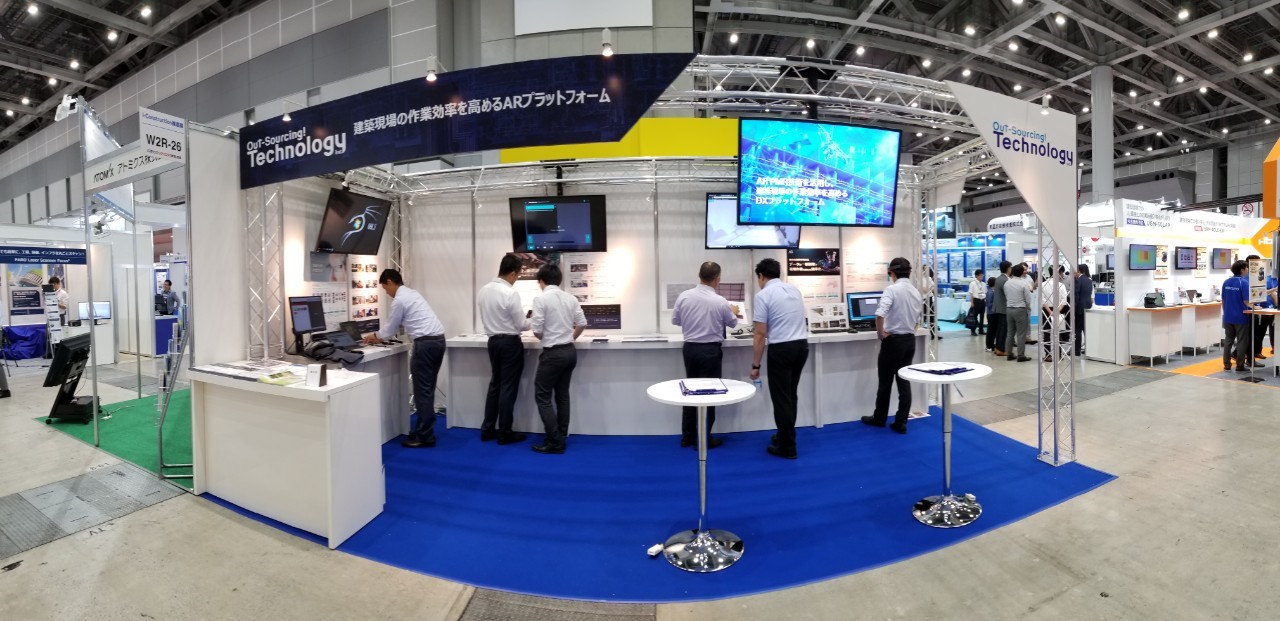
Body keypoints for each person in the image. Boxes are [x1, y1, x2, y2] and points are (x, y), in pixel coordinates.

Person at [364, 269, 447, 448]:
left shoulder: (400, 300)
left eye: (385, 289)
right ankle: (423, 429)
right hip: (439, 341)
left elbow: (390, 328)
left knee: (422, 391)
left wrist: (375, 336)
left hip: (425, 345)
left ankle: (424, 436)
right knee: (427, 389)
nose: (387, 293)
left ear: (390, 281)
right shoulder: (412, 293)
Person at [671, 262, 738, 449]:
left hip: (690, 349)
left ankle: (687, 437)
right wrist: (733, 312)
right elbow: (733, 323)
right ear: (717, 279)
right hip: (710, 351)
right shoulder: (720, 301)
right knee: (709, 394)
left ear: (699, 274)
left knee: (689, 391)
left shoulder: (684, 296)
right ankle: (704, 439)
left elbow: (676, 320)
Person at [749, 258, 808, 459]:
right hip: (801, 347)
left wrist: (755, 365)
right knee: (790, 395)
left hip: (782, 349)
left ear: (761, 276)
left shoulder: (763, 295)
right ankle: (785, 435)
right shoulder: (794, 290)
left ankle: (787, 447)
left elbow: (760, 334)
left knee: (781, 399)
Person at [529, 264, 587, 454]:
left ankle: (555, 441)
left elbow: (537, 330)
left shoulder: (541, 299)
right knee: (562, 395)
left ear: (541, 281)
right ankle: (561, 435)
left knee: (542, 397)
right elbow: (582, 323)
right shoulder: (570, 298)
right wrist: (571, 337)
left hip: (553, 354)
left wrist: (544, 337)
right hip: (569, 351)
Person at [862, 257, 923, 434]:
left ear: (892, 272)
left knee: (885, 383)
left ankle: (880, 418)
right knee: (904, 382)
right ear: (909, 272)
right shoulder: (916, 291)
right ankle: (901, 422)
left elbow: (880, 315)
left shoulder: (892, 290)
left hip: (893, 342)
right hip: (909, 341)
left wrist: (881, 334)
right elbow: (917, 320)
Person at [477, 254, 531, 445]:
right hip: (510, 343)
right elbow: (522, 324)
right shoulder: (510, 293)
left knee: (495, 385)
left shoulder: (483, 290)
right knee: (508, 387)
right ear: (513, 273)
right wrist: (534, 319)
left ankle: (487, 429)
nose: (516, 279)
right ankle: (505, 432)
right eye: (518, 275)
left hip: (493, 342)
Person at [1221, 260, 1262, 372]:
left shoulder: (1226, 282)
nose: (1248, 270)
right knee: (1242, 341)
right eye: (1246, 268)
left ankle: (1227, 364)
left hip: (1228, 317)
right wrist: (1256, 308)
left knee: (1228, 341)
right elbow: (1246, 302)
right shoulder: (1243, 282)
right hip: (1240, 317)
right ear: (1242, 270)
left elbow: (1223, 300)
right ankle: (1240, 365)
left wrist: (1226, 312)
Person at [1247, 256, 1276, 361]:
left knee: (1266, 331)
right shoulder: (1265, 279)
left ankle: (1257, 352)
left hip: (1271, 309)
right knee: (1257, 333)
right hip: (1262, 309)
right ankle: (1249, 355)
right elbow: (1262, 293)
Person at [1003, 263, 1032, 362]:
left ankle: (1009, 354)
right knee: (1021, 334)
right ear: (1021, 272)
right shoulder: (1023, 284)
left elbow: (1006, 295)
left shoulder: (1007, 283)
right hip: (1020, 309)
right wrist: (1026, 307)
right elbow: (1028, 300)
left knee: (1010, 333)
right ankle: (1020, 355)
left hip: (1009, 309)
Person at [1041, 267, 1071, 360]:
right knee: (1059, 331)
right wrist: (1056, 311)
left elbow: (1042, 300)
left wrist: (1050, 311)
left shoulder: (1043, 284)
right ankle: (1059, 354)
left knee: (1046, 332)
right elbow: (1064, 301)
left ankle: (1048, 354)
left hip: (1046, 310)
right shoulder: (1061, 285)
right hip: (1059, 309)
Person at [987, 261, 1011, 356]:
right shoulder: (1005, 280)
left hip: (999, 308)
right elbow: (1007, 294)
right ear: (1008, 268)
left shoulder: (998, 279)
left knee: (999, 329)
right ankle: (1001, 349)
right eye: (1010, 267)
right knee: (1003, 329)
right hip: (1004, 308)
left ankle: (998, 348)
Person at [1074, 264, 1093, 356]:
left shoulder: (1078, 280)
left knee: (1077, 330)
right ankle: (1089, 350)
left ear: (1078, 271)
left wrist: (1074, 308)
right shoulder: (1089, 280)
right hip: (1088, 306)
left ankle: (1077, 351)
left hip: (1080, 308)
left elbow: (1076, 296)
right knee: (1086, 329)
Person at [921, 267, 940, 339]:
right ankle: (922, 334)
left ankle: (934, 334)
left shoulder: (929, 278)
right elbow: (924, 289)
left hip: (929, 298)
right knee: (922, 318)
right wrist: (929, 288)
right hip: (923, 300)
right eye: (925, 269)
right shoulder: (920, 279)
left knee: (932, 317)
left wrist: (929, 288)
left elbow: (933, 288)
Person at [968, 269, 986, 337]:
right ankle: (973, 330)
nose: (982, 276)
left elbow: (985, 292)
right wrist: (972, 302)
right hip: (976, 300)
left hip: (982, 300)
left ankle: (981, 330)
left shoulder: (983, 284)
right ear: (976, 276)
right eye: (980, 275)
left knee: (982, 316)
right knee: (974, 316)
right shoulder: (973, 283)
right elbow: (971, 293)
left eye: (982, 275)